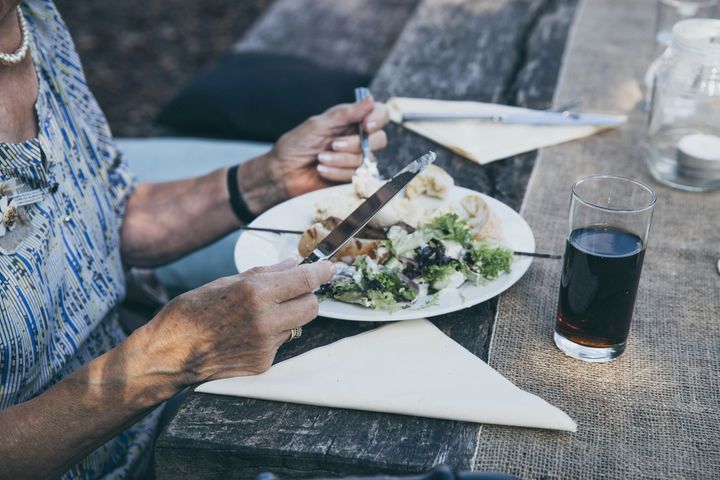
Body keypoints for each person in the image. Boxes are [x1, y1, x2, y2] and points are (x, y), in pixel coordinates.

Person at [0, 1, 390, 478]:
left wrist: (267, 179)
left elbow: (97, 222)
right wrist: (164, 358)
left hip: (157, 422)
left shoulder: (33, 21)